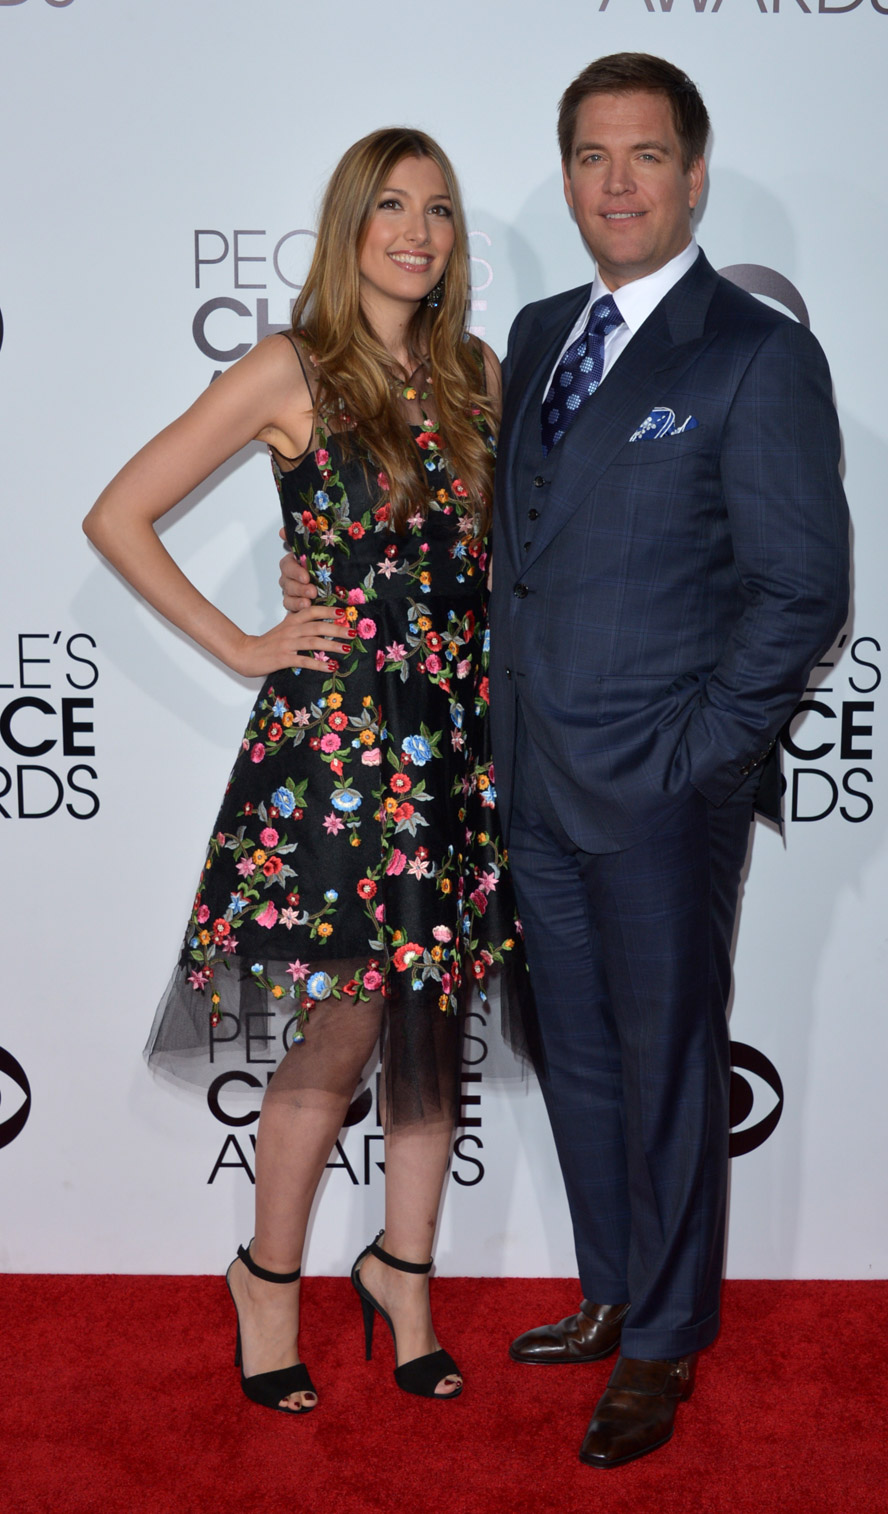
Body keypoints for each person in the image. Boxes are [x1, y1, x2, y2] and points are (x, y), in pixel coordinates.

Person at [281, 54, 850, 1466]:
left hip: (662, 790)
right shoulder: (533, 333)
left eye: (646, 156)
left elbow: (803, 589)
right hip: (522, 780)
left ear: (695, 174)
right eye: (592, 158)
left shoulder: (753, 349)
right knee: (580, 1057)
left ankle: (663, 1346)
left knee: (664, 1068)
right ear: (569, 177)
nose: (617, 184)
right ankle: (612, 1288)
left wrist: (702, 754)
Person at [84, 127, 525, 1414]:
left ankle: (404, 1268)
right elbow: (120, 511)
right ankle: (266, 1278)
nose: (417, 231)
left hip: (452, 742)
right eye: (392, 205)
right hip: (338, 755)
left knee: (434, 1034)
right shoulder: (295, 369)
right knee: (336, 1035)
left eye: (439, 211)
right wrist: (243, 638)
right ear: (348, 226)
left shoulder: (480, 375)